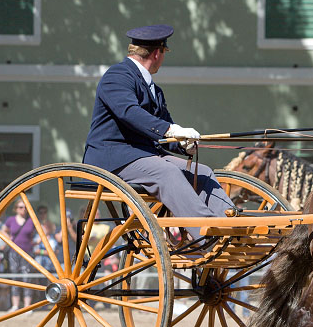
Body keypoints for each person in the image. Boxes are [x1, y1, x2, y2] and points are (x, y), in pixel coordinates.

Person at [82, 24, 234, 242]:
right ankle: (208, 235)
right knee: (167, 173)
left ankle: (230, 227)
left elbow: (164, 131)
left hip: (145, 156)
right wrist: (171, 130)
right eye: (164, 53)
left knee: (204, 173)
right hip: (113, 158)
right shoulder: (117, 76)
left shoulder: (153, 88)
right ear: (157, 53)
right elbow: (129, 112)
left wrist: (182, 143)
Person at [2, 200, 36, 311]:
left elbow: (43, 232)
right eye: (21, 207)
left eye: (25, 207)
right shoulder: (11, 220)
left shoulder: (31, 221)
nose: (23, 209)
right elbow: (3, 230)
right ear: (16, 208)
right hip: (14, 252)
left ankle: (27, 306)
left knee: (27, 278)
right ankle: (15, 305)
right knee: (15, 277)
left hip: (27, 252)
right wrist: (9, 240)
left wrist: (35, 242)